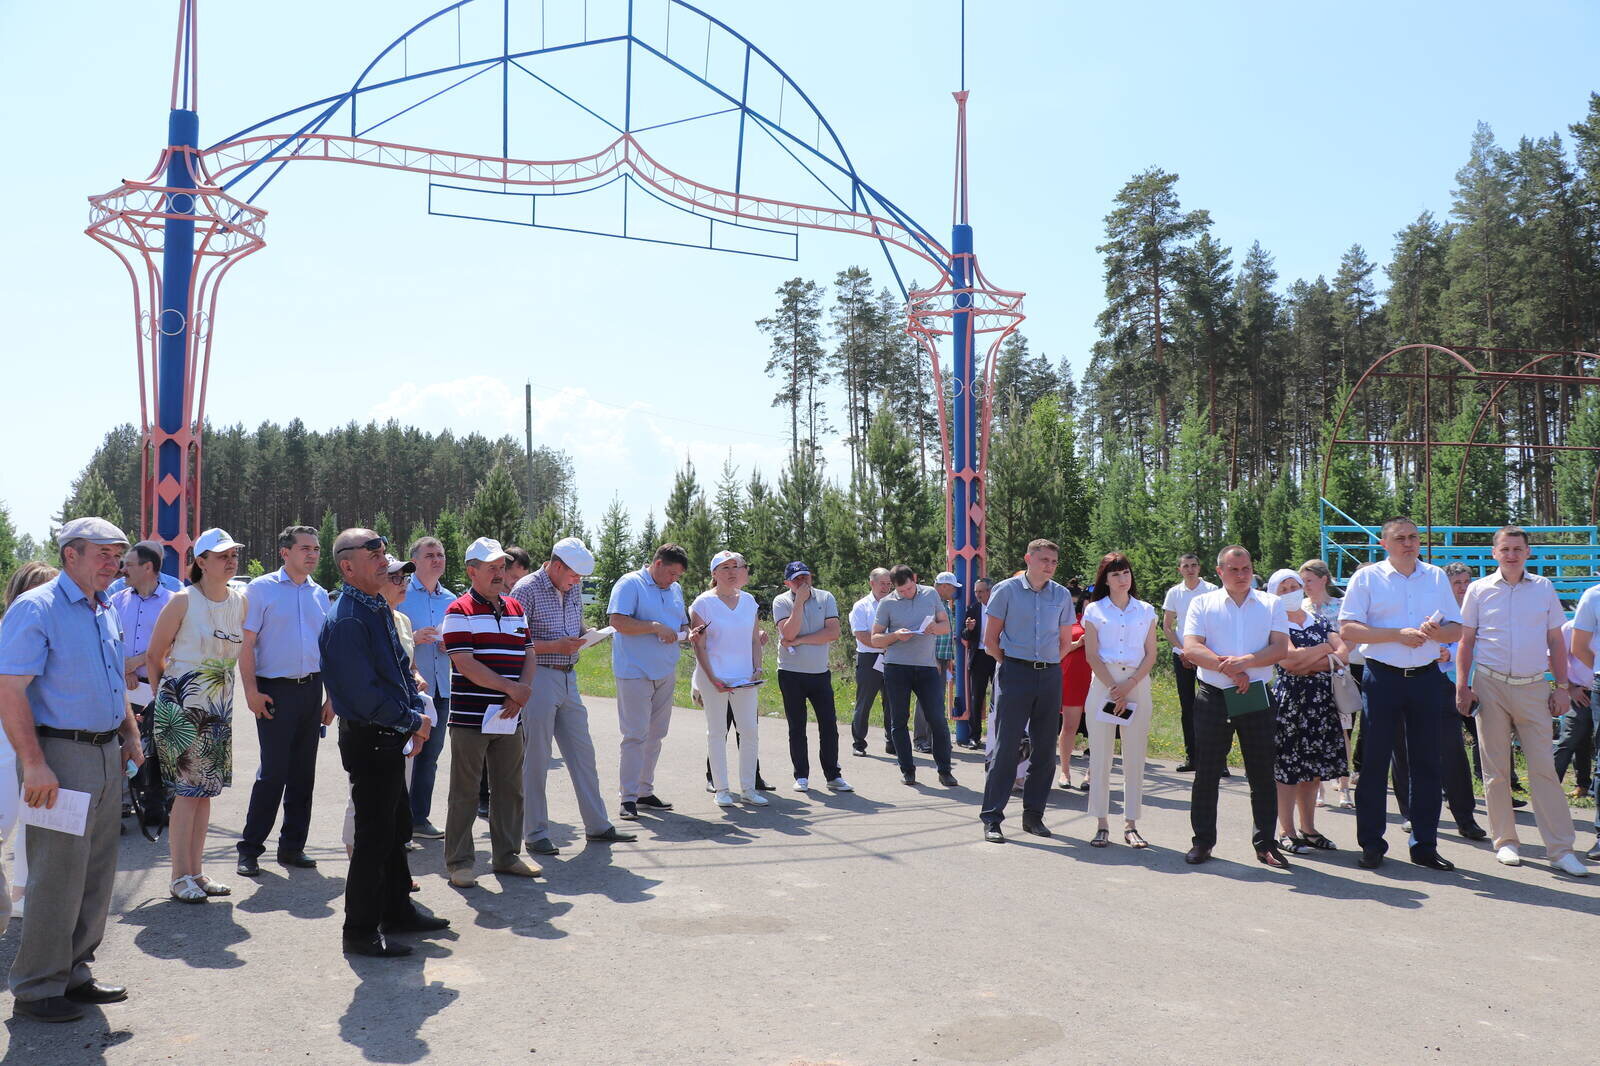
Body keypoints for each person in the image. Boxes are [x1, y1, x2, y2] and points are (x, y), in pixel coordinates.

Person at [0, 518, 142, 1022]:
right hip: (58, 758)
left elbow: (112, 680)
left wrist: (129, 733)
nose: (114, 563)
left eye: (117, 554)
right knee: (57, 874)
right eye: (102, 554)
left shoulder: (105, 609)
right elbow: (10, 690)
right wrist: (34, 765)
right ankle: (38, 987)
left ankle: (75, 971)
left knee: (97, 872)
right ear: (70, 556)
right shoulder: (36, 609)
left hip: (104, 754)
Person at [319, 529, 448, 957]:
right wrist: (413, 718)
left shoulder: (374, 607)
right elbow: (360, 695)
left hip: (389, 733)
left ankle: (396, 911)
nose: (382, 558)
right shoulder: (350, 616)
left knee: (395, 831)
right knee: (373, 838)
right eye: (371, 553)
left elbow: (398, 670)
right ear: (347, 566)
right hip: (371, 737)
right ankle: (359, 931)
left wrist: (415, 712)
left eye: (383, 551)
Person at [1455, 527, 1586, 877]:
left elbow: (1557, 642)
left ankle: (1560, 849)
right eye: (1505, 549)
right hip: (1490, 684)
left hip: (1533, 687)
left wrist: (1561, 687)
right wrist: (1462, 686)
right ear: (1494, 553)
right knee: (1496, 769)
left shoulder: (1543, 588)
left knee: (1543, 768)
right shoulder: (1479, 591)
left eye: (1518, 549)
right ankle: (1506, 842)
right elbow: (1466, 642)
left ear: (1528, 553)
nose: (1511, 554)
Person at [1339, 517, 1462, 872]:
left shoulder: (1436, 576)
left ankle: (1424, 844)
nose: (1409, 543)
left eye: (1413, 537)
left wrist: (1436, 633)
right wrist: (1397, 634)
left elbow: (1457, 630)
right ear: (1385, 543)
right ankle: (1372, 844)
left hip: (1425, 678)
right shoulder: (1367, 577)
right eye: (1400, 538)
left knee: (1426, 764)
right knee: (1375, 763)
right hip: (1383, 677)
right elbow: (1348, 627)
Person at [507, 537, 636, 855]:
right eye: (574, 574)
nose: (577, 581)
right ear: (557, 565)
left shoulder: (571, 587)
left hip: (568, 677)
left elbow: (575, 628)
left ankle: (597, 825)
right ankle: (535, 832)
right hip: (538, 678)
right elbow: (512, 643)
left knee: (583, 753)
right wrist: (556, 646)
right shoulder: (525, 589)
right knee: (536, 757)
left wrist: (588, 635)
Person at [144, 528, 247, 902]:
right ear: (201, 562)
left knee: (205, 795)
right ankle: (177, 876)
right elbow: (155, 655)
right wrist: (165, 700)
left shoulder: (240, 602)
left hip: (218, 711)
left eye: (233, 554)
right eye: (222, 555)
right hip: (182, 711)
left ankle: (196, 872)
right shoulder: (182, 601)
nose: (231, 560)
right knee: (187, 795)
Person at [1181, 545, 1290, 868]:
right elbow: (1191, 648)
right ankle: (1202, 842)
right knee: (1207, 774)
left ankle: (1266, 844)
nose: (1241, 575)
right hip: (1214, 695)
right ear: (1220, 572)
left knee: (1261, 774)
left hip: (1256, 696)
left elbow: (1280, 648)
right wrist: (1229, 668)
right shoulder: (1203, 602)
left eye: (1246, 569)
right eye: (1234, 570)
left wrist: (1247, 663)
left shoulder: (1271, 603)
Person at [442, 537, 539, 888]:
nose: (500, 574)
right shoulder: (458, 611)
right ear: (472, 571)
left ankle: (507, 855)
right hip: (470, 717)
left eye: (502, 567)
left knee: (510, 788)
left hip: (511, 715)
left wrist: (522, 692)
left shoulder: (515, 607)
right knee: (465, 792)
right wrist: (511, 689)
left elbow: (529, 654)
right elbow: (465, 663)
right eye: (491, 568)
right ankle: (460, 862)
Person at [236, 524, 331, 877]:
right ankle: (249, 849)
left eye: (316, 548)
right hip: (273, 691)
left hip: (311, 690)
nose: (312, 554)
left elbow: (327, 651)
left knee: (303, 774)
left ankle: (293, 848)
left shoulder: (320, 594)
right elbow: (246, 645)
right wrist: (251, 692)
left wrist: (330, 697)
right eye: (305, 547)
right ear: (284, 552)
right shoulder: (260, 590)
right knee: (273, 773)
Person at [979, 539, 1074, 842]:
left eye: (1054, 562)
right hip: (1014, 673)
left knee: (1045, 751)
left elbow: (1064, 642)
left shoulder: (1060, 595)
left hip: (1049, 675)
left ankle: (1034, 817)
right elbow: (991, 640)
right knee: (1007, 749)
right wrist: (1011, 665)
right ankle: (992, 818)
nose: (1049, 566)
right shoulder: (1005, 590)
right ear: (1028, 559)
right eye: (1044, 559)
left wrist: (1045, 665)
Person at [1390, 562, 1487, 843]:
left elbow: (1469, 645)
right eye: (1456, 582)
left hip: (1448, 685)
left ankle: (1465, 818)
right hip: (1409, 679)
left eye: (1466, 581)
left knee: (1453, 752)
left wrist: (1447, 652)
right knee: (1405, 750)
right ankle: (1409, 814)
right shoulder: (1425, 602)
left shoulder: (1473, 606)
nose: (1463, 587)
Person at [1262, 569, 1347, 855]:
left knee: (1312, 771)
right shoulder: (1275, 625)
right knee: (1287, 770)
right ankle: (1286, 832)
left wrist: (1312, 660)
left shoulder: (1320, 620)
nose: (1290, 592)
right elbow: (1290, 663)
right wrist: (1324, 649)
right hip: (1291, 704)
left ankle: (1308, 829)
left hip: (1321, 703)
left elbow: (1344, 653)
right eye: (1283, 588)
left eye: (1293, 586)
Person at [1081, 552, 1157, 849]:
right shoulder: (1094, 611)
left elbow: (1151, 653)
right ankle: (1101, 823)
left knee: (1135, 755)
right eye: (1115, 574)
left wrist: (1129, 685)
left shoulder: (1146, 610)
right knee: (1100, 754)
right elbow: (1091, 654)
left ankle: (1131, 823)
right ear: (1106, 579)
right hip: (1104, 683)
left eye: (1125, 573)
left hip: (1136, 683)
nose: (1122, 579)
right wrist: (1114, 687)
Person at [608, 543, 691, 820]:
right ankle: (627, 798)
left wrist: (689, 633)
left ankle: (644, 791)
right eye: (671, 573)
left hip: (665, 670)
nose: (673, 580)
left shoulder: (675, 589)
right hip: (634, 671)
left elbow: (680, 624)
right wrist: (654, 626)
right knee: (635, 735)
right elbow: (618, 622)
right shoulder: (630, 584)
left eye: (678, 576)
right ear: (657, 564)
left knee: (656, 734)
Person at [1, 564, 61, 936]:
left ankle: (23, 895)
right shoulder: (8, 634)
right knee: (6, 822)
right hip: (8, 745)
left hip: (48, 744)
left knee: (38, 824)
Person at [690, 551, 767, 806]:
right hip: (714, 677)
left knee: (749, 731)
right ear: (714, 574)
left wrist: (757, 667)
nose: (731, 572)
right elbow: (699, 646)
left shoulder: (749, 601)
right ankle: (722, 789)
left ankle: (748, 788)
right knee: (717, 731)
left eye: (735, 566)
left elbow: (755, 639)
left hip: (744, 677)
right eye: (724, 568)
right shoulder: (702, 603)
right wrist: (712, 679)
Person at [873, 565, 959, 788]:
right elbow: (875, 639)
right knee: (898, 720)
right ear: (894, 587)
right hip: (896, 667)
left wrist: (933, 628)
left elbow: (946, 627)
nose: (907, 593)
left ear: (915, 580)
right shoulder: (887, 603)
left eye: (910, 588)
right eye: (902, 591)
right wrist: (894, 635)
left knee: (938, 720)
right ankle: (908, 770)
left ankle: (945, 770)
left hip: (927, 667)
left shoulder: (930, 594)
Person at [109, 540, 174, 830]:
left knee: (157, 746)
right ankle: (122, 801)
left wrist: (135, 663)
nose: (124, 570)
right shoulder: (118, 600)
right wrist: (125, 670)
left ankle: (155, 803)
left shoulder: (173, 601)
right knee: (122, 742)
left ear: (148, 568)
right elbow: (111, 640)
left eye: (130, 564)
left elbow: (174, 644)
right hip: (125, 685)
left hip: (158, 685)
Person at [773, 561, 850, 792]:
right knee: (797, 726)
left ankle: (833, 775)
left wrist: (799, 640)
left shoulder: (826, 598)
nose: (802, 582)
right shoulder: (781, 601)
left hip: (819, 672)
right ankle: (802, 776)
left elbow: (833, 632)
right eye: (796, 579)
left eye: (805, 577)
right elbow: (787, 632)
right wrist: (798, 604)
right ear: (788, 583)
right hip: (790, 673)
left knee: (829, 725)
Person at [399, 535, 454, 840]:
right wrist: (413, 637)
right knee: (406, 754)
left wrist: (453, 645)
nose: (437, 559)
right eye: (430, 554)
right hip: (409, 688)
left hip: (441, 689)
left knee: (430, 754)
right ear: (414, 561)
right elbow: (390, 633)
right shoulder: (401, 592)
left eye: (441, 554)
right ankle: (398, 821)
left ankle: (419, 818)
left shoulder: (452, 600)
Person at [1161, 553, 1216, 772]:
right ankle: (1192, 757)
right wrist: (1184, 650)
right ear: (1180, 569)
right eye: (1186, 566)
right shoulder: (1175, 593)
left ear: (1199, 568)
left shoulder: (1211, 590)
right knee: (1188, 707)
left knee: (1214, 706)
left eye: (1194, 565)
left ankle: (1217, 761)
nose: (1190, 569)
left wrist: (1205, 653)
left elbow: (1217, 623)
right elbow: (1166, 626)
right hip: (1182, 654)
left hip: (1208, 653)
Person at [848, 568, 893, 756]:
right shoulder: (861, 606)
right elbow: (862, 635)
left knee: (892, 702)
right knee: (864, 703)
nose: (886, 587)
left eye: (889, 583)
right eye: (882, 583)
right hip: (870, 658)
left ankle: (892, 742)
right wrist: (885, 644)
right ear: (872, 583)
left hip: (892, 657)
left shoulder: (895, 603)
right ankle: (859, 743)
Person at [1557, 614, 1595, 800]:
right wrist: (1570, 688)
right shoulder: (1569, 628)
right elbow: (1555, 659)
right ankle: (1549, 787)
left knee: (1584, 741)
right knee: (1570, 739)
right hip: (1581, 693)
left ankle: (1586, 786)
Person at [1057, 602, 1092, 790]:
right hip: (1073, 678)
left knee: (1098, 729)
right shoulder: (1071, 621)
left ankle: (1091, 774)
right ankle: (1065, 771)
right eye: (1089, 599)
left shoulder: (1106, 620)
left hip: (1098, 678)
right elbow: (1058, 649)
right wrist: (1078, 643)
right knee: (1069, 726)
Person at [960, 577, 996, 750]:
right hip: (979, 657)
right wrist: (970, 629)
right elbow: (965, 636)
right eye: (976, 592)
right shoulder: (973, 609)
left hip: (997, 655)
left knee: (999, 698)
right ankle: (974, 736)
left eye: (981, 591)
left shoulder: (999, 607)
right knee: (976, 698)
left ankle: (997, 736)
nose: (978, 595)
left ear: (990, 591)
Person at [934, 571, 964, 742]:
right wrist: (932, 659)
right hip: (934, 658)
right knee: (929, 698)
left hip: (943, 657)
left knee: (937, 699)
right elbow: (928, 631)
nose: (954, 591)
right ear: (944, 586)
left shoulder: (943, 604)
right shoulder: (931, 603)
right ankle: (922, 739)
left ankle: (931, 738)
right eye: (952, 587)